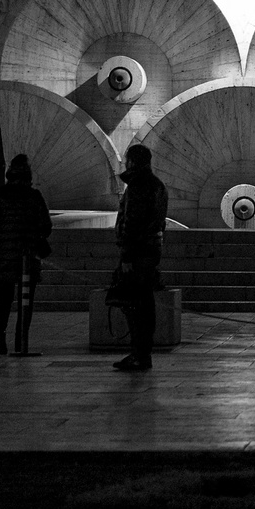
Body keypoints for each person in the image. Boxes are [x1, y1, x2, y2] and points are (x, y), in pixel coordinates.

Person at [0, 154, 52, 357]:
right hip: (27, 255)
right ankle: (21, 341)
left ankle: (0, 338)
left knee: (3, 300)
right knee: (26, 302)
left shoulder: (0, 195)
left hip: (4, 255)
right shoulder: (34, 196)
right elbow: (46, 226)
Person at [110, 145, 167, 372]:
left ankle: (139, 354)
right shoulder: (157, 185)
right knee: (144, 303)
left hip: (138, 253)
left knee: (135, 304)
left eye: (127, 160)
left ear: (132, 162)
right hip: (151, 250)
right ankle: (143, 353)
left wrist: (126, 256)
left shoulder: (138, 186)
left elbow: (132, 223)